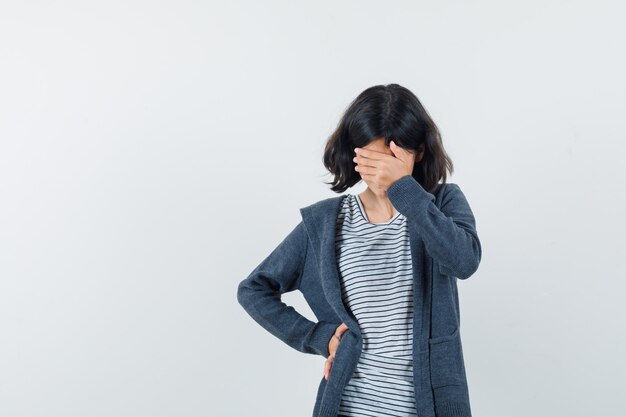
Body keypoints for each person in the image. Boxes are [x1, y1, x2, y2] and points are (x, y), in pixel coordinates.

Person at [237, 83, 482, 417]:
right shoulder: (325, 224)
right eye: (371, 159)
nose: (381, 172)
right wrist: (318, 337)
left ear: (419, 151)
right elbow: (254, 289)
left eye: (392, 159)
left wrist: (403, 189)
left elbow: (464, 261)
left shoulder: (441, 204)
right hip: (347, 407)